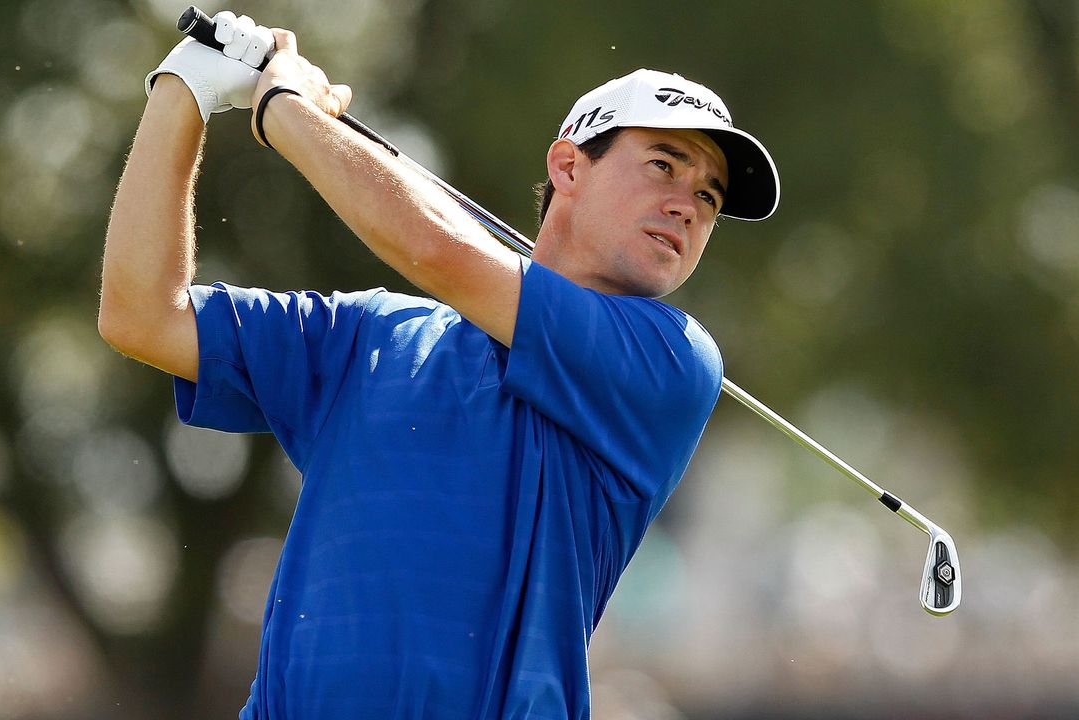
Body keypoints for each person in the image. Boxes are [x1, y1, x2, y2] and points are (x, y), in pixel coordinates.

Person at [98, 11, 779, 720]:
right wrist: (185, 88)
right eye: (664, 165)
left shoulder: (670, 358)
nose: (686, 205)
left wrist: (282, 106)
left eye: (708, 194)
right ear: (568, 164)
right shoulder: (369, 334)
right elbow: (141, 315)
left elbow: (436, 250)